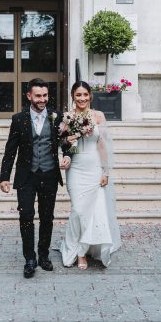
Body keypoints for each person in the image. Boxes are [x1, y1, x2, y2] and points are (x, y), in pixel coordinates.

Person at [0, 78, 69, 278]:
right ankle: (29, 258)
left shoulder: (58, 117)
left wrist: (67, 155)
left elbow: (66, 142)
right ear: (29, 96)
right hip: (26, 176)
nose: (42, 99)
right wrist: (4, 177)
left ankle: (44, 255)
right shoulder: (18, 119)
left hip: (49, 174)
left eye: (45, 95)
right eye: (38, 96)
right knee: (26, 216)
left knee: (47, 217)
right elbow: (10, 150)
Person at [59, 81, 121, 269]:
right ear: (72, 96)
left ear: (90, 96)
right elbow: (62, 144)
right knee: (78, 210)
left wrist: (106, 171)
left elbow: (102, 144)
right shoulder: (67, 117)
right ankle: (75, 246)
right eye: (78, 95)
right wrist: (68, 143)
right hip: (76, 168)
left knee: (93, 210)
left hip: (94, 166)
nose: (82, 98)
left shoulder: (98, 116)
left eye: (85, 95)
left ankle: (82, 251)